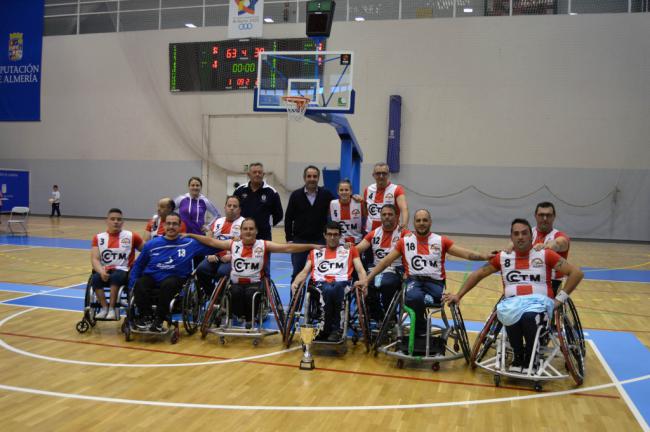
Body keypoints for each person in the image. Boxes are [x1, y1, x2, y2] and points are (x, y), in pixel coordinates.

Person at [444, 218, 584, 372]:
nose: (520, 237)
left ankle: (532, 358)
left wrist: (559, 300)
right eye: (516, 234)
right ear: (511, 238)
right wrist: (458, 295)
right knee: (508, 314)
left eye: (524, 233)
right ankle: (518, 357)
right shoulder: (503, 257)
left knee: (529, 317)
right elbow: (478, 274)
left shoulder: (545, 255)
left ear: (531, 236)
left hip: (538, 304)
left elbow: (576, 273)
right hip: (513, 303)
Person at [356, 209, 493, 337]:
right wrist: (367, 279)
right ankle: (420, 332)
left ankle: (419, 327)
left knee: (422, 299)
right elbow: (385, 262)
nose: (421, 223)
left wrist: (485, 256)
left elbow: (467, 254)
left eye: (425, 220)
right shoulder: (404, 242)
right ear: (414, 223)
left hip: (435, 282)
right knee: (414, 297)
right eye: (418, 220)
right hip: (414, 281)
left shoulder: (441, 241)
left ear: (430, 222)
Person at [186, 218, 319, 326]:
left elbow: (288, 247)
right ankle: (238, 315)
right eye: (245, 229)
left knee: (251, 293)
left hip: (256, 284)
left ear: (256, 231)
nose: (248, 231)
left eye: (251, 229)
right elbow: (210, 241)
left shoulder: (264, 244)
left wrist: (312, 246)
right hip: (236, 283)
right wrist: (190, 234)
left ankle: (250, 319)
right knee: (234, 292)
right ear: (241, 232)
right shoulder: (233, 244)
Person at [128, 213, 219, 332]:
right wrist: (131, 284)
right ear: (164, 225)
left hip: (175, 277)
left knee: (168, 284)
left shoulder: (189, 243)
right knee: (140, 284)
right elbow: (139, 265)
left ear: (180, 226)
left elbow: (215, 246)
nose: (171, 227)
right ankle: (146, 317)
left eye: (175, 224)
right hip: (152, 276)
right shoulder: (151, 244)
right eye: (169, 224)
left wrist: (234, 242)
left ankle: (160, 320)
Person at [292, 221, 368, 341]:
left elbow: (360, 270)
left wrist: (365, 283)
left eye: (335, 234)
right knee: (328, 289)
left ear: (340, 236)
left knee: (336, 288)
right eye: (329, 234)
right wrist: (295, 283)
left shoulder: (350, 250)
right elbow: (304, 272)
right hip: (320, 284)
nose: (332, 237)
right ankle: (332, 329)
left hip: (342, 283)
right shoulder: (315, 252)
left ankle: (331, 329)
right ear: (324, 235)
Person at [355, 204, 410, 321]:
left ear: (396, 217)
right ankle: (378, 316)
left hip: (395, 269)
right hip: (375, 269)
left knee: (387, 284)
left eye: (390, 214)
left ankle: (390, 317)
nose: (387, 217)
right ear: (380, 217)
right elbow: (358, 249)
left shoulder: (404, 234)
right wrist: (348, 248)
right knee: (365, 287)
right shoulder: (374, 233)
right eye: (384, 214)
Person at [91, 208, 144, 320]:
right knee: (95, 278)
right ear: (107, 221)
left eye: (119, 219)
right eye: (113, 219)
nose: (116, 222)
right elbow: (95, 259)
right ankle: (104, 308)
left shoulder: (131, 236)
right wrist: (101, 271)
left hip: (124, 270)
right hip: (105, 269)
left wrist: (137, 264)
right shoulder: (98, 238)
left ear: (122, 222)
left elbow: (146, 251)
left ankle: (112, 309)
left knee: (116, 276)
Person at [285, 165, 335, 282]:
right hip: (299, 241)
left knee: (319, 275)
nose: (312, 179)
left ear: (318, 178)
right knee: (297, 274)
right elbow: (288, 218)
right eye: (309, 176)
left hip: (320, 241)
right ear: (304, 178)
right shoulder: (296, 195)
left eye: (315, 176)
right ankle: (295, 301)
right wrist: (289, 239)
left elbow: (340, 203)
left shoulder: (326, 194)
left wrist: (354, 197)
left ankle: (315, 300)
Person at [195, 195, 245, 293]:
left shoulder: (244, 223)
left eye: (235, 206)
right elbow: (210, 238)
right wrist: (210, 254)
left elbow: (247, 245)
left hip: (233, 258)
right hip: (215, 256)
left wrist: (232, 256)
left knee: (222, 272)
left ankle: (220, 296)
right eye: (229, 205)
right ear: (225, 207)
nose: (231, 208)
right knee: (201, 269)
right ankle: (211, 294)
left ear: (239, 209)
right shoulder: (218, 221)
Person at [233, 162, 283, 241]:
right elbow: (233, 210)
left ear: (263, 174)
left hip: (264, 236)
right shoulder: (240, 190)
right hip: (242, 236)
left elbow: (279, 214)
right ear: (249, 174)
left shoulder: (271, 192)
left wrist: (266, 225)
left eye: (259, 172)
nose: (257, 174)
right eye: (254, 172)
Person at [531, 201, 570, 294]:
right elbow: (512, 245)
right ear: (535, 216)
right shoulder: (527, 233)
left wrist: (545, 246)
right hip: (529, 281)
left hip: (552, 284)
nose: (545, 218)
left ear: (554, 217)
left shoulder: (560, 236)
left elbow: (558, 243)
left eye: (548, 215)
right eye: (541, 215)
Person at [363, 162, 408, 232]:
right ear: (373, 175)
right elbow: (366, 211)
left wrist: (404, 224)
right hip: (369, 233)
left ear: (388, 175)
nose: (381, 176)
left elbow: (404, 209)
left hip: (391, 233)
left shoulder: (397, 189)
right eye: (378, 173)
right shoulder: (368, 189)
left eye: (384, 173)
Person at [329, 179, 363, 245]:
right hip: (339, 242)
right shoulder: (332, 204)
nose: (344, 192)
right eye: (341, 190)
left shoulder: (358, 203)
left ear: (351, 192)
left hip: (357, 241)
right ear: (337, 192)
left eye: (346, 190)